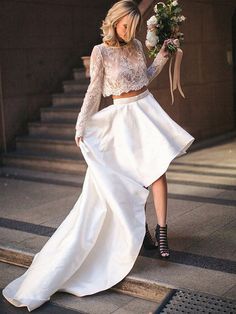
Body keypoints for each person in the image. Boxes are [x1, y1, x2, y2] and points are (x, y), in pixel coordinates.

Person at [2, 0, 194, 312]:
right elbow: (94, 91)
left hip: (145, 112)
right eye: (125, 26)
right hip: (120, 119)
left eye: (133, 28)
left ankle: (161, 233)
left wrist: (162, 54)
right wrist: (81, 124)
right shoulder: (100, 51)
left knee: (157, 173)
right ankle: (141, 231)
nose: (129, 32)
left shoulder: (135, 46)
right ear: (115, 21)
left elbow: (146, 76)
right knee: (128, 181)